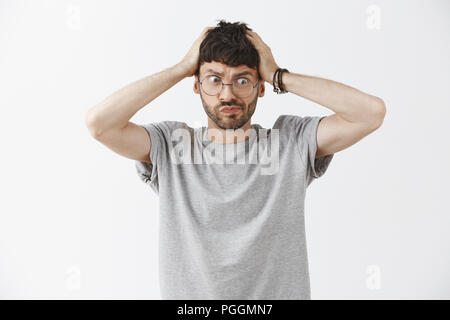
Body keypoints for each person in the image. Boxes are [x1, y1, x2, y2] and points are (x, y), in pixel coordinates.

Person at [85, 20, 386, 300]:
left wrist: (280, 74)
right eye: (214, 80)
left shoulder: (290, 141)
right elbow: (100, 124)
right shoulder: (171, 144)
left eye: (242, 80)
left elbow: (370, 113)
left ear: (261, 86)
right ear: (196, 85)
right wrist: (180, 68)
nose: (227, 94)